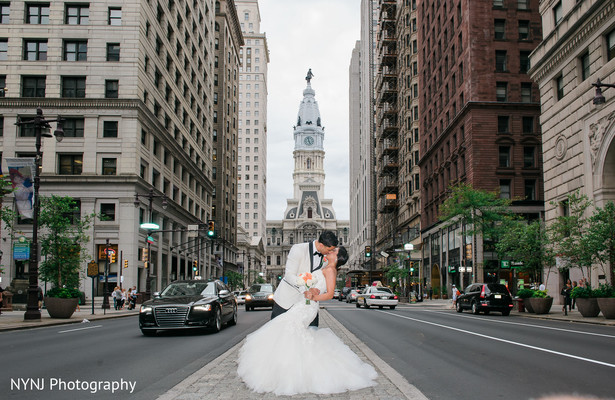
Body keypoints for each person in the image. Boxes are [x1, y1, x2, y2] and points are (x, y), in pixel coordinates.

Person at [238, 246, 377, 395]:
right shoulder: (325, 267)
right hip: (302, 303)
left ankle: (288, 372)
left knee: (287, 327)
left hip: (308, 307)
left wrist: (314, 296)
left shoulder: (330, 270)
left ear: (337, 258)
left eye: (334, 251)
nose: (330, 251)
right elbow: (316, 286)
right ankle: (287, 368)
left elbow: (329, 294)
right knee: (290, 331)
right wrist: (307, 287)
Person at [271, 230, 338, 327]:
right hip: (286, 301)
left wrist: (317, 290)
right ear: (322, 245)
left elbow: (321, 280)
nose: (331, 252)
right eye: (329, 249)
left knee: (310, 335)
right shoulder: (298, 249)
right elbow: (289, 275)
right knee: (278, 333)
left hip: (308, 306)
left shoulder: (326, 260)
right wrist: (304, 290)